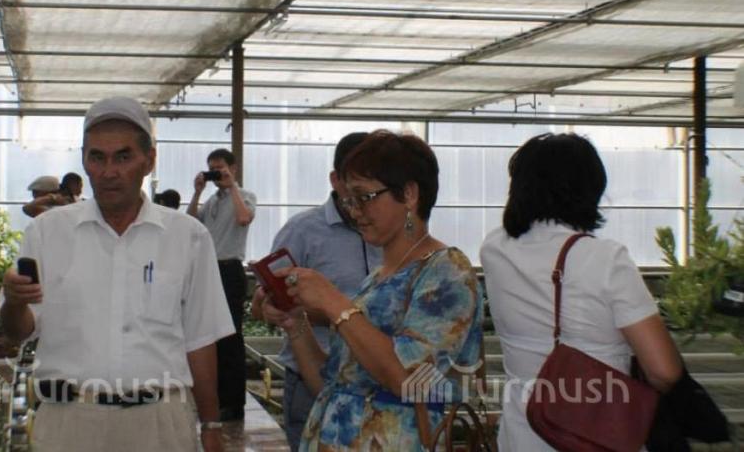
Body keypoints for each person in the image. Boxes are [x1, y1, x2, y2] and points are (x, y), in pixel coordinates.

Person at [0, 96, 234, 452]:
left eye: (123, 157)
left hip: (160, 424)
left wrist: (212, 426)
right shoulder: (46, 233)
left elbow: (200, 340)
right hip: (68, 424)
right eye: (97, 157)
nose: (109, 172)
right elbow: (19, 330)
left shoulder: (188, 237)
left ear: (149, 160)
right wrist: (14, 303)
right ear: (84, 160)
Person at [261, 130, 484, 450]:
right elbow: (332, 383)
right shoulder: (379, 277)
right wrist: (295, 322)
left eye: (365, 197)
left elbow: (407, 379)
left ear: (409, 194)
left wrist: (332, 301)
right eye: (349, 200)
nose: (355, 211)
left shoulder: (447, 271)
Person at [480, 133, 684, 451]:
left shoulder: (494, 249)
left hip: (522, 435)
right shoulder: (607, 260)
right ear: (590, 190)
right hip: (600, 436)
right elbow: (664, 371)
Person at [252, 132, 382, 450]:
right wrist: (315, 310)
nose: (363, 199)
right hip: (311, 378)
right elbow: (260, 304)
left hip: (376, 377)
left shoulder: (391, 232)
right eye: (355, 185)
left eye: (373, 186)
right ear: (336, 179)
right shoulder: (303, 231)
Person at [186, 148, 256, 421]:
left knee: (230, 336)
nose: (216, 174)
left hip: (229, 269)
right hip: (209, 269)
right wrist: (197, 192)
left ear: (232, 168)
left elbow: (243, 218)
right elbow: (190, 224)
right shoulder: (212, 200)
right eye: (211, 169)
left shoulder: (245, 196)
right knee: (209, 335)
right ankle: (216, 398)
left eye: (220, 169)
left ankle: (234, 403)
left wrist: (232, 186)